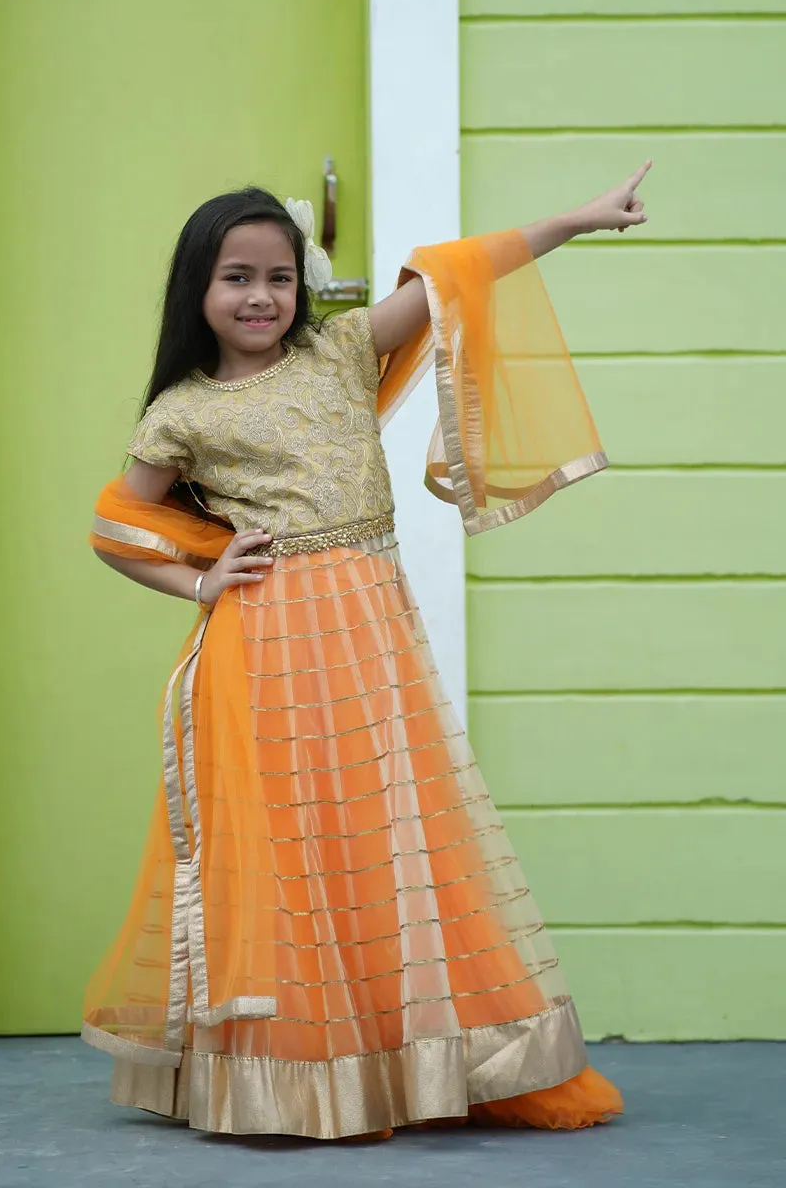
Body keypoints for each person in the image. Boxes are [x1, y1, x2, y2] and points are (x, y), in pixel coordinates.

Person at [82, 166, 650, 1140]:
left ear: (302, 288)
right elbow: (119, 525)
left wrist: (575, 219)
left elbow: (457, 277)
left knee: (389, 832)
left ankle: (405, 1060)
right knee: (291, 849)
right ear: (197, 291)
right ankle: (295, 1075)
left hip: (369, 632)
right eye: (236, 278)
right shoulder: (181, 411)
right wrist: (201, 581)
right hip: (263, 647)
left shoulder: (341, 350)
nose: (260, 297)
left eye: (279, 277)